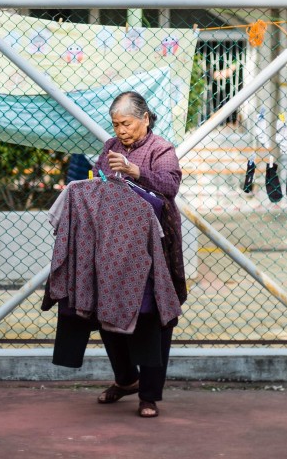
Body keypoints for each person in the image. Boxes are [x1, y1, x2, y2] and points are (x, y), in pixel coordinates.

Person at [89, 91, 187, 419]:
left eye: (126, 123)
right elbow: (98, 180)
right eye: (115, 124)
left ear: (145, 118)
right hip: (114, 248)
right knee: (107, 311)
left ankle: (149, 395)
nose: (120, 131)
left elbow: (170, 186)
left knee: (153, 318)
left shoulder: (161, 150)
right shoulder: (110, 148)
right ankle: (127, 379)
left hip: (154, 249)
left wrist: (134, 171)